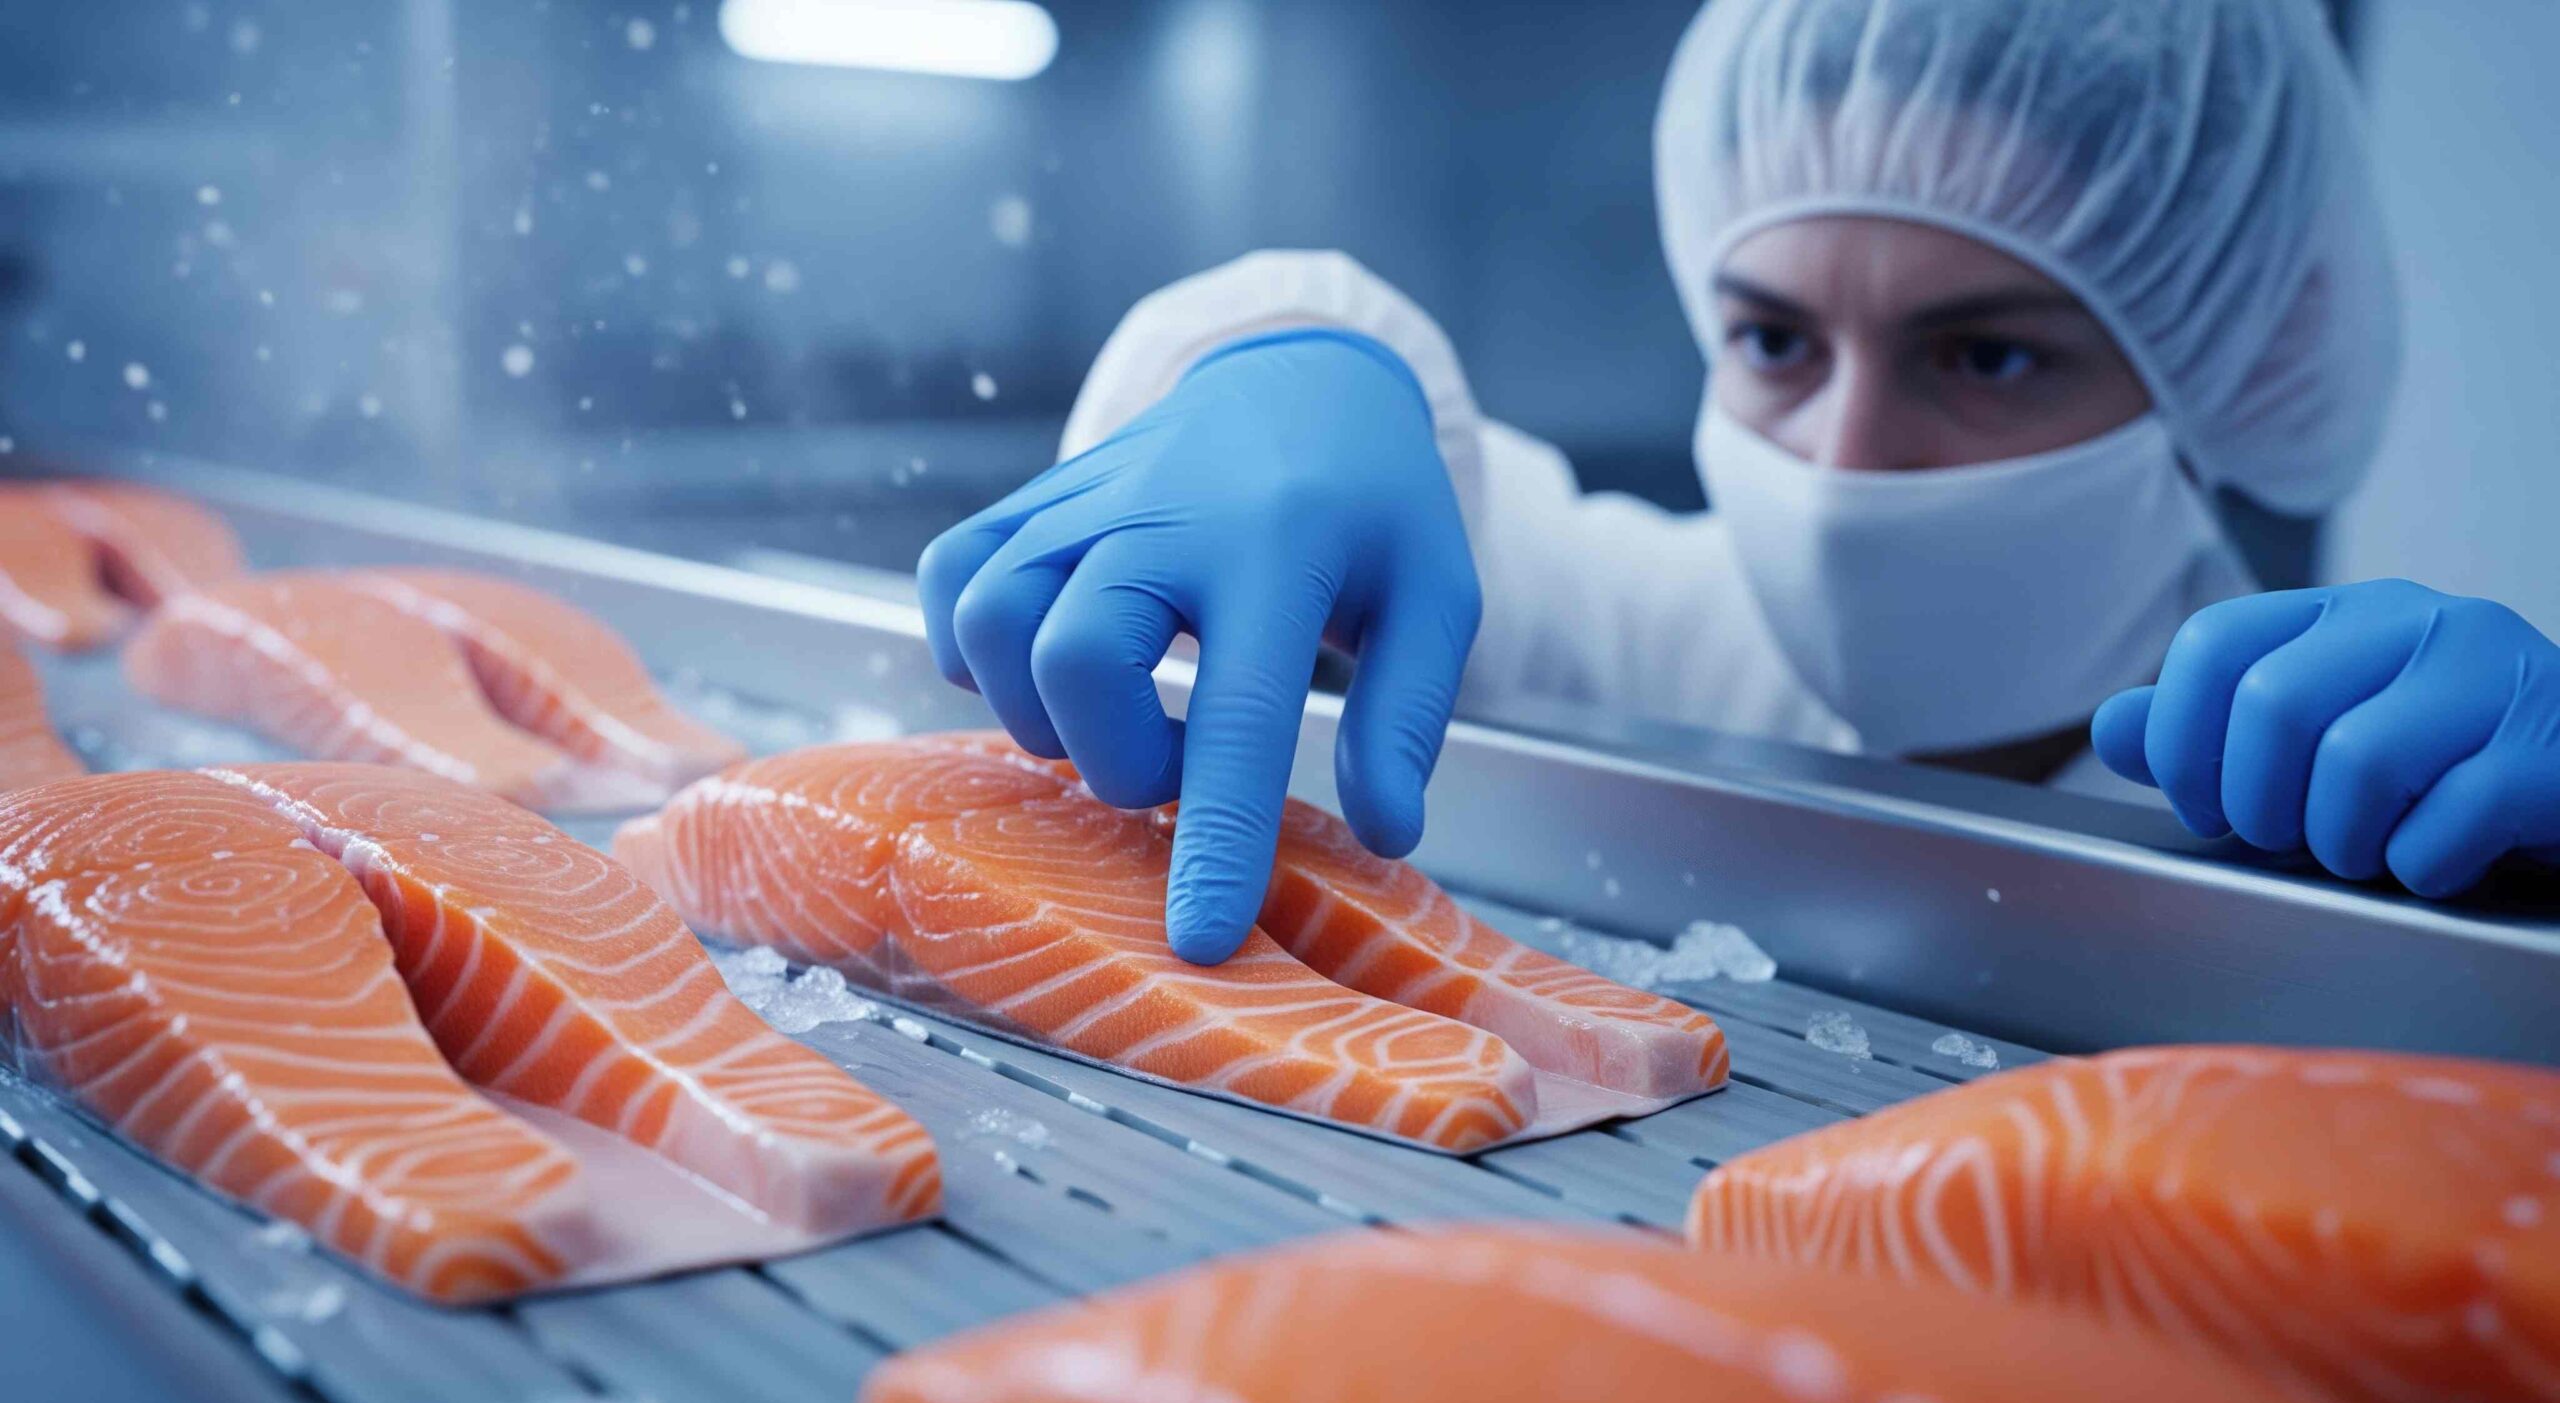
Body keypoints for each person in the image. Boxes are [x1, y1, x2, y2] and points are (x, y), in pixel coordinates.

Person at [919, 0, 2560, 963]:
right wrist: (1284, 360)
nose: (1843, 466)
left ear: (2233, 358)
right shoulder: (1637, 636)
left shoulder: (2364, 791)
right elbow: (1409, 492)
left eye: (1985, 356)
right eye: (1776, 341)